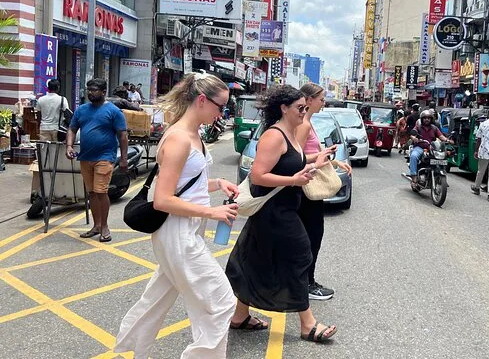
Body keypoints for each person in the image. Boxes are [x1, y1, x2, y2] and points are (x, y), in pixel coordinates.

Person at [115, 73, 239, 358]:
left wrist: (218, 183)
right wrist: (212, 211)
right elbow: (163, 200)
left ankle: (134, 348)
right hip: (177, 231)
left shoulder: (194, 135)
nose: (223, 113)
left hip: (188, 228)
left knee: (157, 297)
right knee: (222, 302)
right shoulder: (179, 138)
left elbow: (187, 185)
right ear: (202, 100)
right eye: (221, 106)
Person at [225, 85, 338, 343]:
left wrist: (316, 161)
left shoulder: (291, 133)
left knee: (257, 260)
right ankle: (308, 324)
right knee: (300, 256)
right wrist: (293, 181)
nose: (304, 111)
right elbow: (257, 175)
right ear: (284, 108)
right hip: (274, 211)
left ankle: (239, 316)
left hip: (284, 208)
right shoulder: (274, 136)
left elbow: (291, 163)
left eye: (305, 107)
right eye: (300, 107)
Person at [296, 83, 350, 301]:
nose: (323, 103)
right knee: (312, 236)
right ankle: (307, 284)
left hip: (309, 183)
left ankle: (304, 281)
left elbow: (306, 155)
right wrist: (321, 157)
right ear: (309, 100)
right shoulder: (303, 125)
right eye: (321, 99)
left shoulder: (308, 122)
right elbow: (296, 158)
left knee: (311, 236)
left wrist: (331, 159)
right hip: (306, 186)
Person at [66, 79, 128, 243]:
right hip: (86, 157)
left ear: (103, 92)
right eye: (89, 90)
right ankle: (96, 225)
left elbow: (122, 135)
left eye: (94, 90)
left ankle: (105, 226)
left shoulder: (114, 111)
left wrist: (123, 159)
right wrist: (69, 146)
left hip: (105, 157)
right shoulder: (81, 110)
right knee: (92, 192)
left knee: (101, 191)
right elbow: (72, 129)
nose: (90, 93)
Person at [408, 110, 452, 184]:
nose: (427, 119)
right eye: (425, 118)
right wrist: (414, 138)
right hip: (420, 147)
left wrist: (448, 140)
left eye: (428, 118)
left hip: (431, 148)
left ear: (431, 119)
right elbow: (412, 134)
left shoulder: (434, 128)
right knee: (413, 156)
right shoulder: (418, 127)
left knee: (442, 157)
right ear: (422, 119)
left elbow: (441, 136)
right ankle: (414, 176)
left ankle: (440, 175)